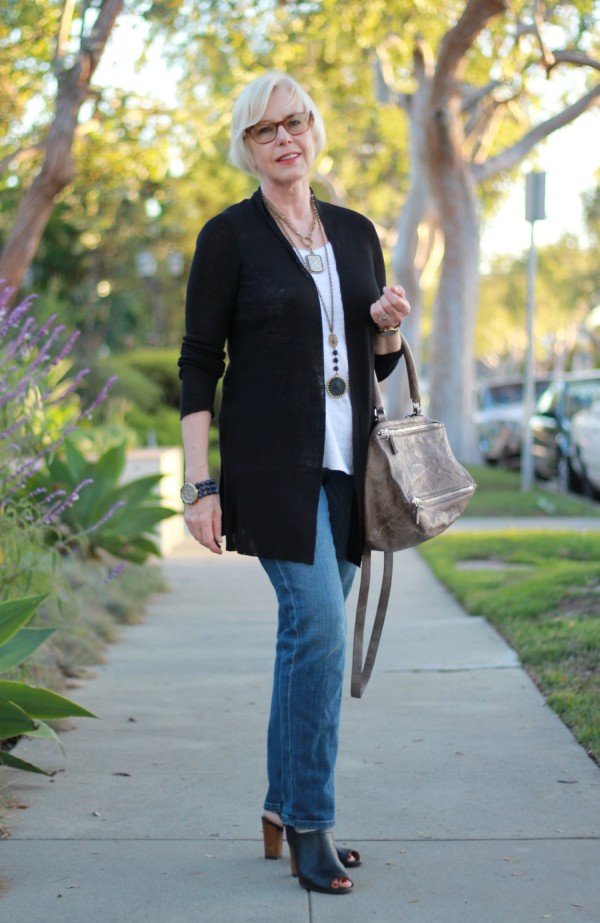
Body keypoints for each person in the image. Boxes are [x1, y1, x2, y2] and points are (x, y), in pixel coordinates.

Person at [178, 71, 411, 895]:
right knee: (318, 627)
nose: (284, 138)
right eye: (265, 129)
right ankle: (313, 818)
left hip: (350, 466)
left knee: (301, 642)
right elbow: (199, 364)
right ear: (247, 147)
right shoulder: (229, 238)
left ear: (315, 129)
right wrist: (197, 485)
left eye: (296, 121)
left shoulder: (354, 231)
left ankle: (278, 805)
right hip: (270, 473)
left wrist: (384, 330)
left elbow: (373, 361)